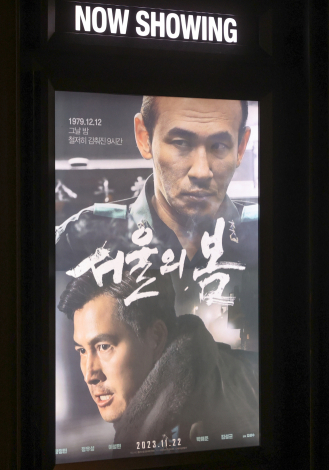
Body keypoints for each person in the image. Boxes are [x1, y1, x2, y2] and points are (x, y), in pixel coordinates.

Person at [55, 97, 258, 348]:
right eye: (181, 143)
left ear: (240, 148)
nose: (202, 171)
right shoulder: (79, 240)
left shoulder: (264, 236)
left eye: (219, 145)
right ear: (144, 137)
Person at [58, 270, 259, 454]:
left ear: (156, 337)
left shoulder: (187, 437)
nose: (89, 374)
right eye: (82, 351)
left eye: (104, 346)